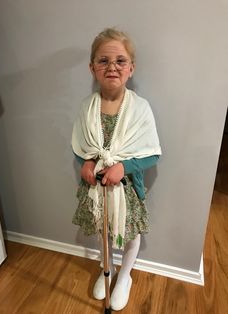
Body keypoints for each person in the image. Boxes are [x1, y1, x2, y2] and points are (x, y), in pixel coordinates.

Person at [72, 28, 161, 311]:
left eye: (120, 61)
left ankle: (124, 276)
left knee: (131, 234)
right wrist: (85, 162)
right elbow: (80, 144)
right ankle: (106, 269)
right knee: (103, 232)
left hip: (125, 189)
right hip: (98, 189)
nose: (112, 67)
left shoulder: (140, 109)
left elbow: (152, 153)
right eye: (103, 60)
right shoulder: (87, 108)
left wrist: (124, 167)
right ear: (92, 68)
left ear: (131, 68)